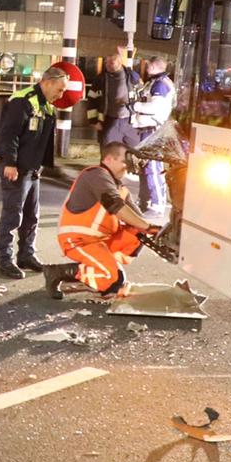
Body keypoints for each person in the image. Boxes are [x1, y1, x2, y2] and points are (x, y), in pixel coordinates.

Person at [45, 141, 156, 299]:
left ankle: (97, 268)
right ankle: (60, 272)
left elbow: (139, 220)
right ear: (109, 159)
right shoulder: (96, 175)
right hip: (78, 240)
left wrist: (156, 231)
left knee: (140, 229)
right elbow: (115, 206)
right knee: (114, 281)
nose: (127, 167)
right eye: (124, 162)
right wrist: (147, 226)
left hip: (100, 241)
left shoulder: (120, 188)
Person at [0, 66, 67, 280]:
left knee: (31, 215)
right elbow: (9, 133)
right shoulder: (23, 100)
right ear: (48, 82)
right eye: (60, 89)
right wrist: (9, 162)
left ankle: (26, 255)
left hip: (32, 168)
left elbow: (42, 141)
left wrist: (40, 166)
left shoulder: (46, 106)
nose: (61, 95)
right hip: (17, 167)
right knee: (12, 215)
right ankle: (5, 260)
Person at [126, 56, 175, 219]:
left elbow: (155, 107)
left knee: (153, 168)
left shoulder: (160, 84)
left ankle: (157, 205)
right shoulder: (158, 81)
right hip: (151, 129)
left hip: (153, 130)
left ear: (154, 66)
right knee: (146, 168)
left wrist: (135, 106)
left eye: (148, 65)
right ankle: (146, 201)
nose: (146, 68)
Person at [87, 51, 139, 145]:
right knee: (108, 150)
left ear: (120, 63)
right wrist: (93, 121)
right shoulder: (101, 79)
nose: (107, 65)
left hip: (129, 122)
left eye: (111, 63)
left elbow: (142, 94)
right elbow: (91, 100)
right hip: (108, 120)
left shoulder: (132, 76)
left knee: (133, 150)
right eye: (106, 62)